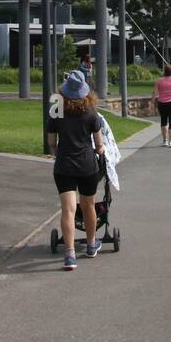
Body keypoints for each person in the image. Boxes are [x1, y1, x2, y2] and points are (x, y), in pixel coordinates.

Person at [47, 69, 106, 271]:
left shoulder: (57, 111)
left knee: (68, 210)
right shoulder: (91, 112)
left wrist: (58, 153)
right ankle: (91, 245)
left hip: (64, 166)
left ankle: (70, 254)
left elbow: (51, 142)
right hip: (87, 165)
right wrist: (102, 150)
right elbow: (99, 144)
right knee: (88, 206)